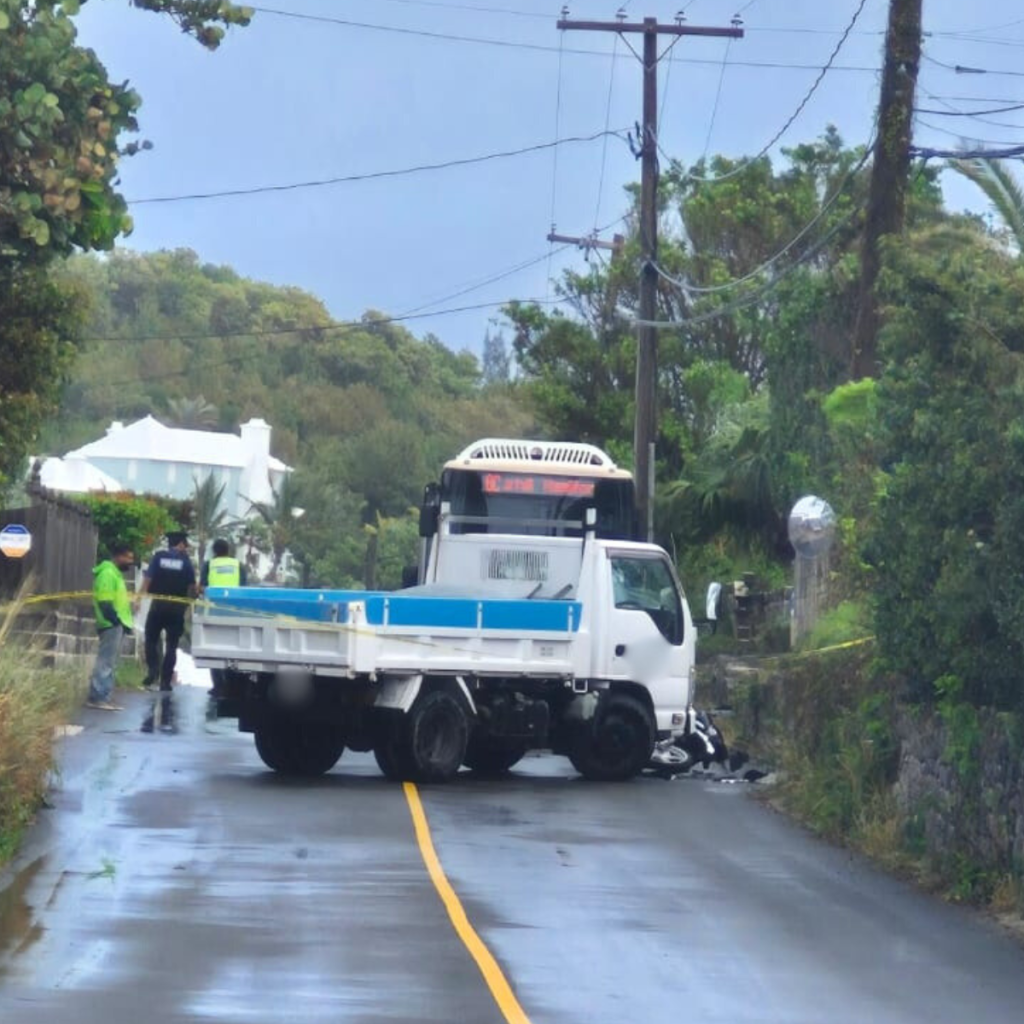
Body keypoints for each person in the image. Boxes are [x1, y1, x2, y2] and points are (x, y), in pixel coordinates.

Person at [139, 531, 196, 692]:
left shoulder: (158, 557)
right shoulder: (186, 562)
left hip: (158, 605)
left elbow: (148, 578)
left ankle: (152, 671)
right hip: (177, 609)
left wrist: (139, 597)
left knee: (150, 639)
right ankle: (165, 682)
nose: (186, 548)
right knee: (172, 645)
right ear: (180, 544)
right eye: (185, 544)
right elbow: (191, 586)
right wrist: (189, 605)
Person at [86, 543, 135, 711]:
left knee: (110, 662)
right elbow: (105, 601)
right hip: (110, 624)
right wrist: (115, 621)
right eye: (128, 558)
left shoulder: (115, 575)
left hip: (116, 624)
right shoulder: (107, 574)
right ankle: (98, 697)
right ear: (118, 557)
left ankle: (104, 696)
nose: (130, 562)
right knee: (105, 662)